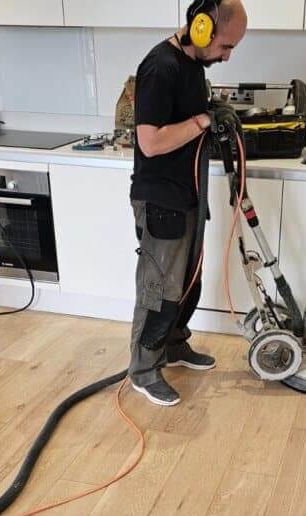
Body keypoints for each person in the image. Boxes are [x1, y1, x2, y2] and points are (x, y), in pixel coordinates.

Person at [128, 0, 249, 407]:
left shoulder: (193, 66)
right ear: (200, 28)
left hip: (189, 194)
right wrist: (201, 122)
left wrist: (211, 111)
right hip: (161, 200)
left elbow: (186, 115)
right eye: (226, 46)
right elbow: (151, 141)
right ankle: (143, 370)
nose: (228, 56)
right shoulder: (160, 67)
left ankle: (174, 346)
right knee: (159, 290)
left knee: (188, 282)